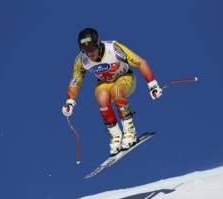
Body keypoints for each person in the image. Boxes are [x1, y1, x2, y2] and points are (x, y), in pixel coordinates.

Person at [62, 28, 163, 156]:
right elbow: (76, 80)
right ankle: (116, 136)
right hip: (104, 82)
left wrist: (152, 84)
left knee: (116, 91)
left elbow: (140, 62)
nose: (90, 53)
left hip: (124, 77)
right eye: (85, 50)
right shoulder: (81, 60)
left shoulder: (113, 48)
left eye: (92, 47)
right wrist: (70, 101)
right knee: (101, 98)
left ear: (98, 43)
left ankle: (129, 131)